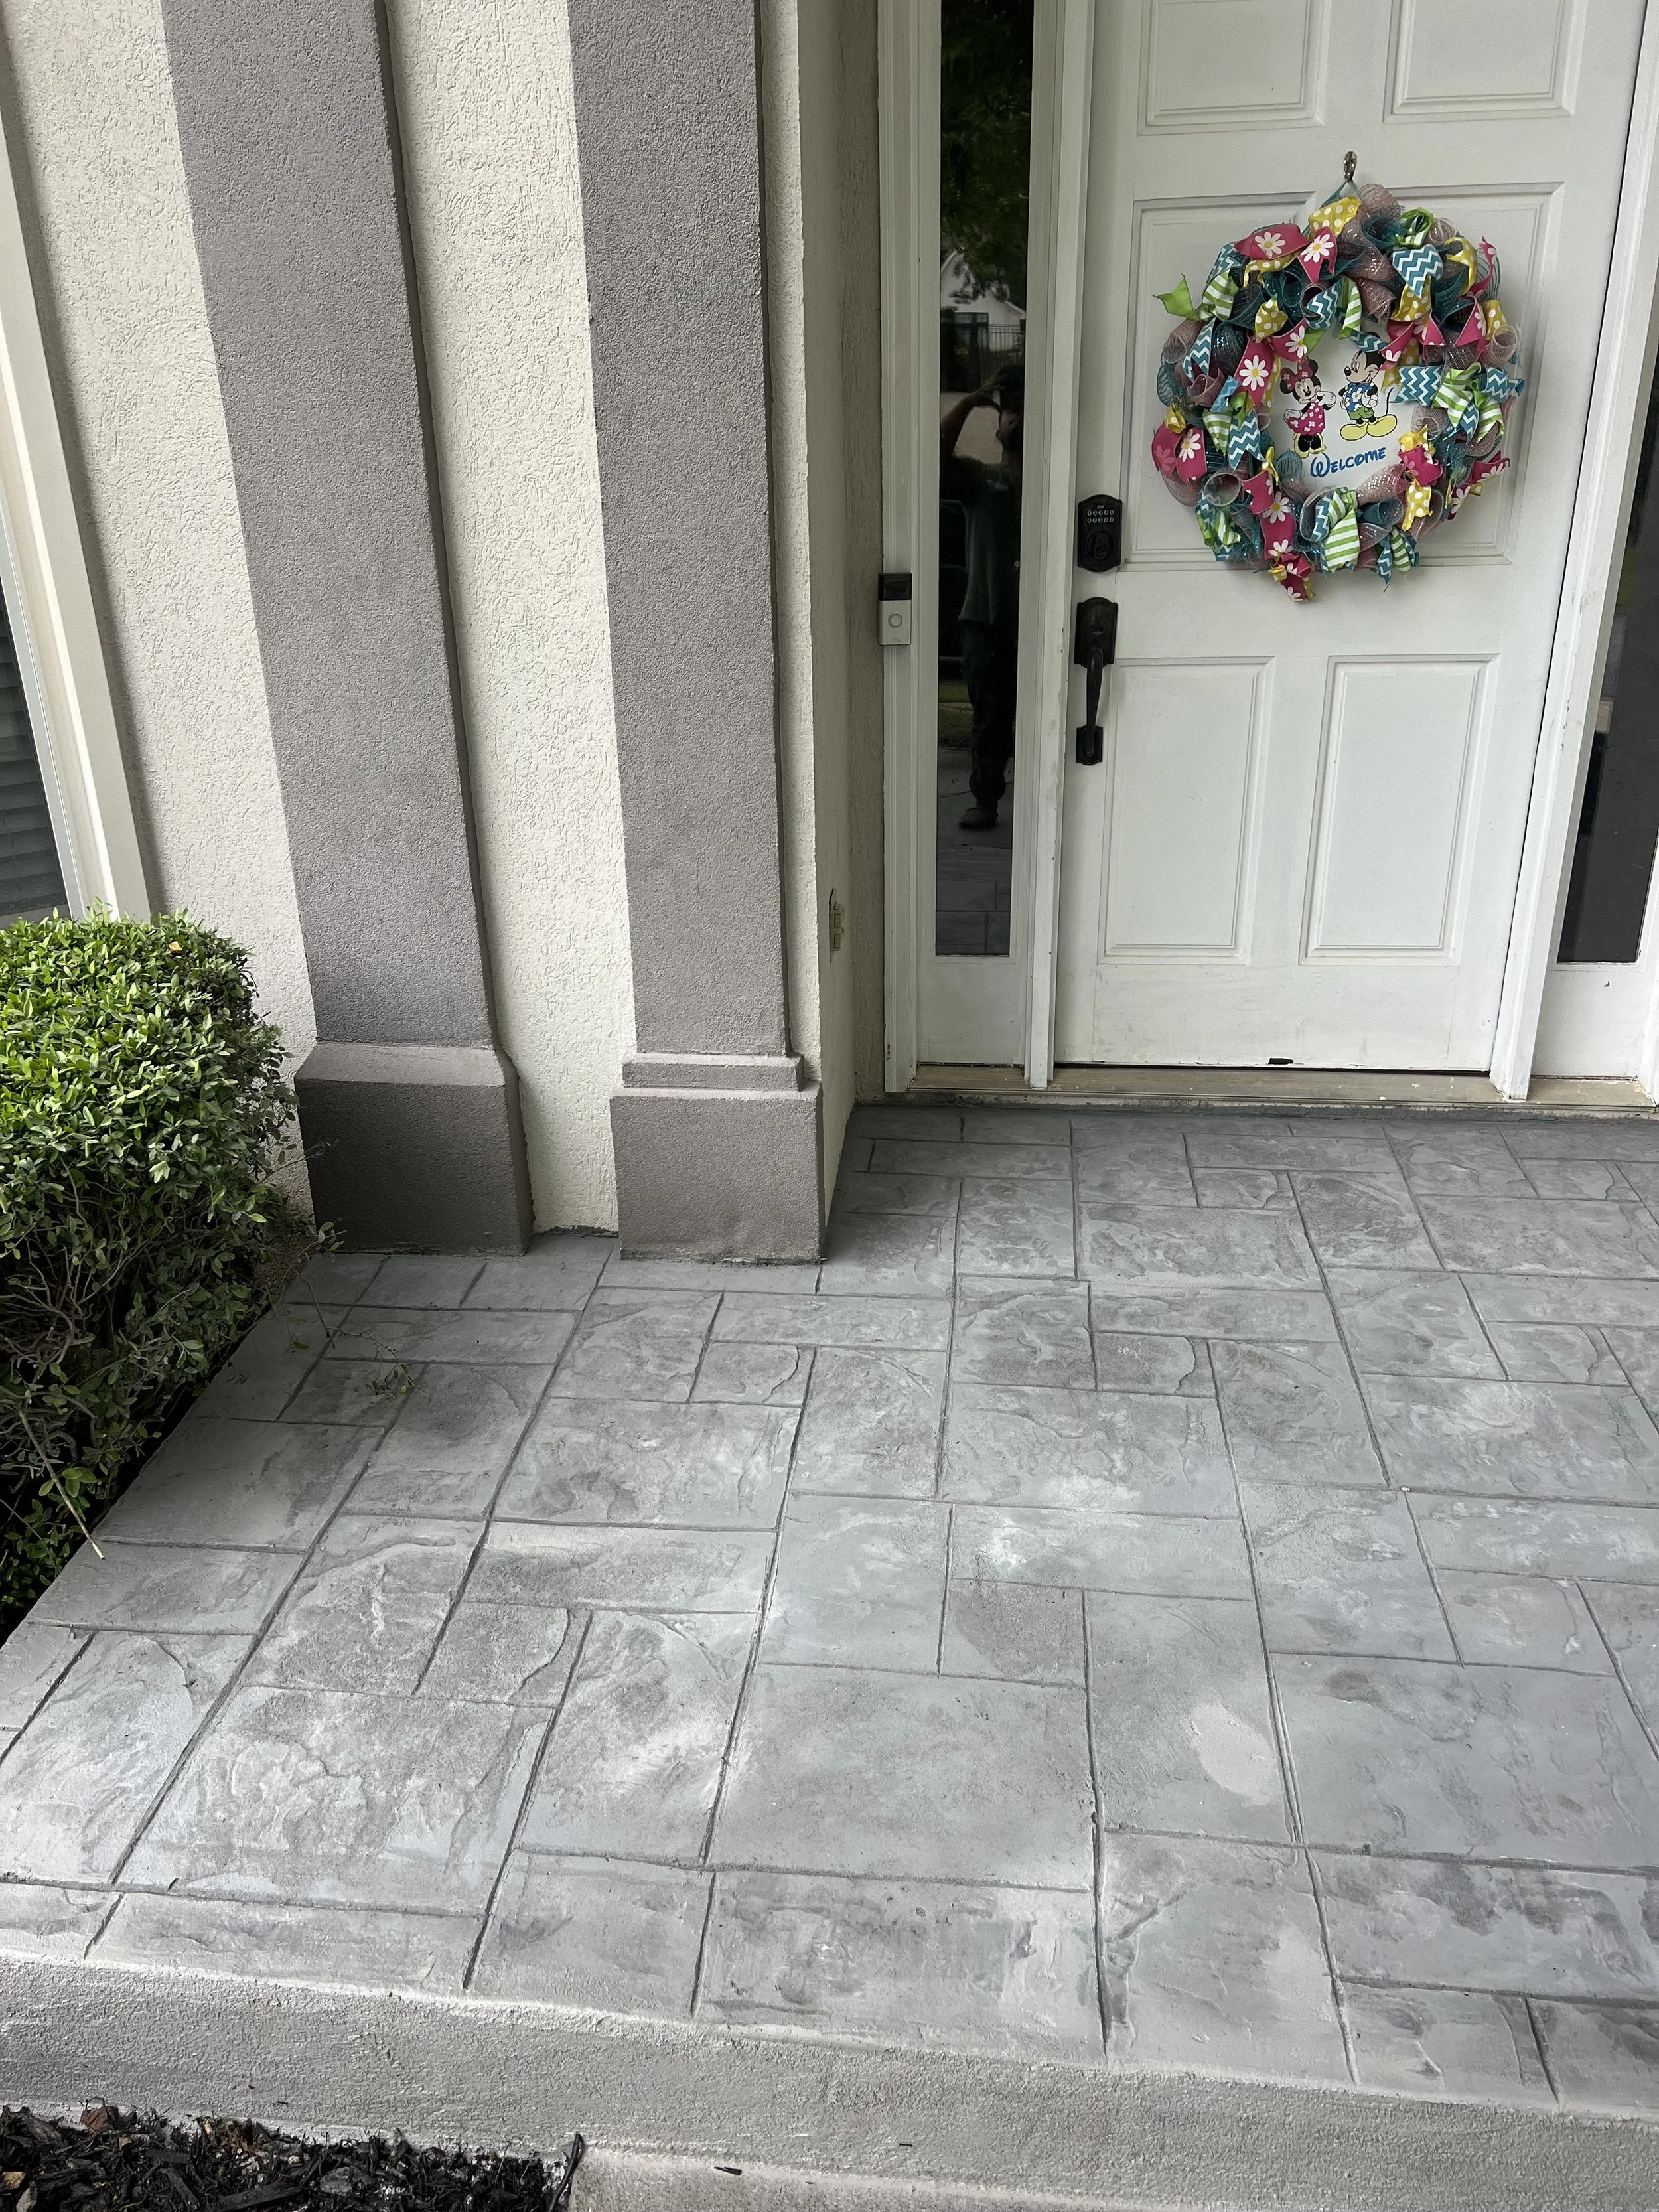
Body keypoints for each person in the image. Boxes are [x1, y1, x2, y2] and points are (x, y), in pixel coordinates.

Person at [940, 366, 1022, 830]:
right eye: (1011, 410)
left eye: (1027, 410)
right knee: (988, 721)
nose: (1019, 418)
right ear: (998, 424)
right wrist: (969, 403)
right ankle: (985, 800)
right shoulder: (978, 479)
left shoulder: (1051, 488)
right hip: (983, 620)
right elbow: (932, 458)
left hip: (1035, 621)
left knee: (1041, 715)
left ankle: (1044, 804)